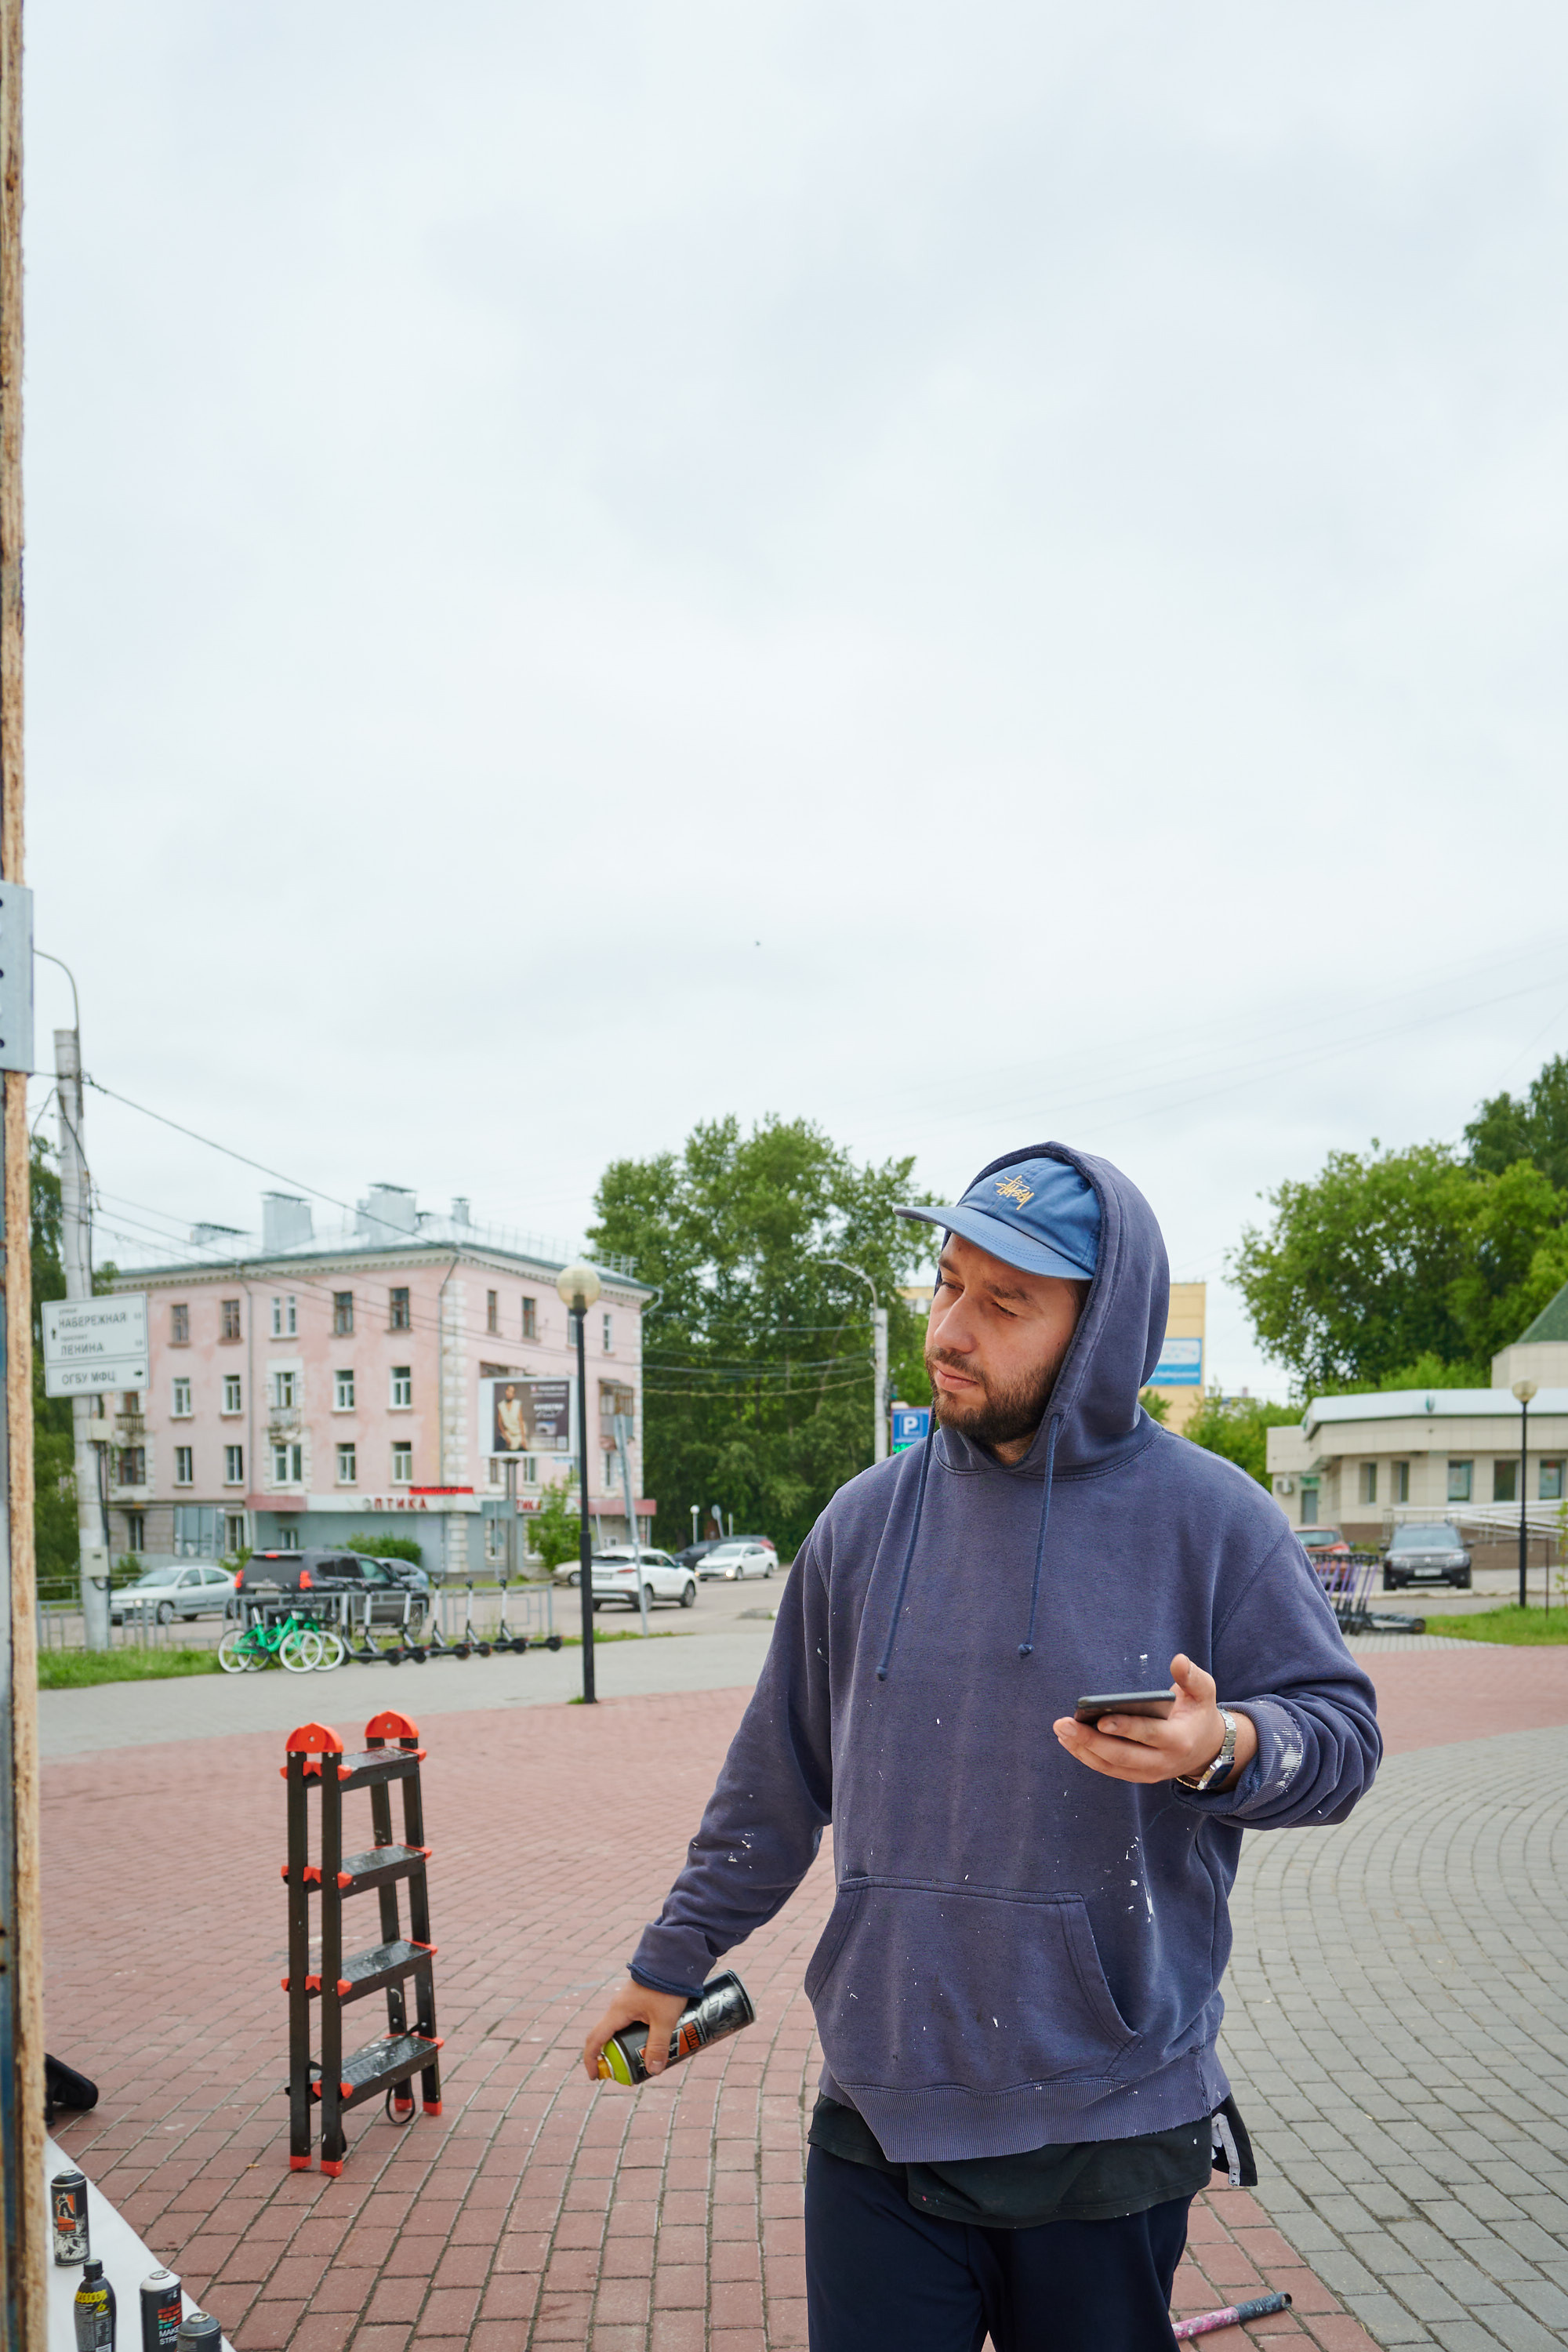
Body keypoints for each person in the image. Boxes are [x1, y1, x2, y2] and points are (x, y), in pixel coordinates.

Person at [583, 1144, 1380, 2352]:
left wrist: (1227, 1744)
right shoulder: (860, 1525)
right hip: (879, 2112)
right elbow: (773, 1783)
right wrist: (667, 1960)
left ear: (1098, 1329)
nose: (952, 1328)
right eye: (947, 1283)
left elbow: (1343, 1738)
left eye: (1004, 1304)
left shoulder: (1214, 1521)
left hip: (1105, 2117)